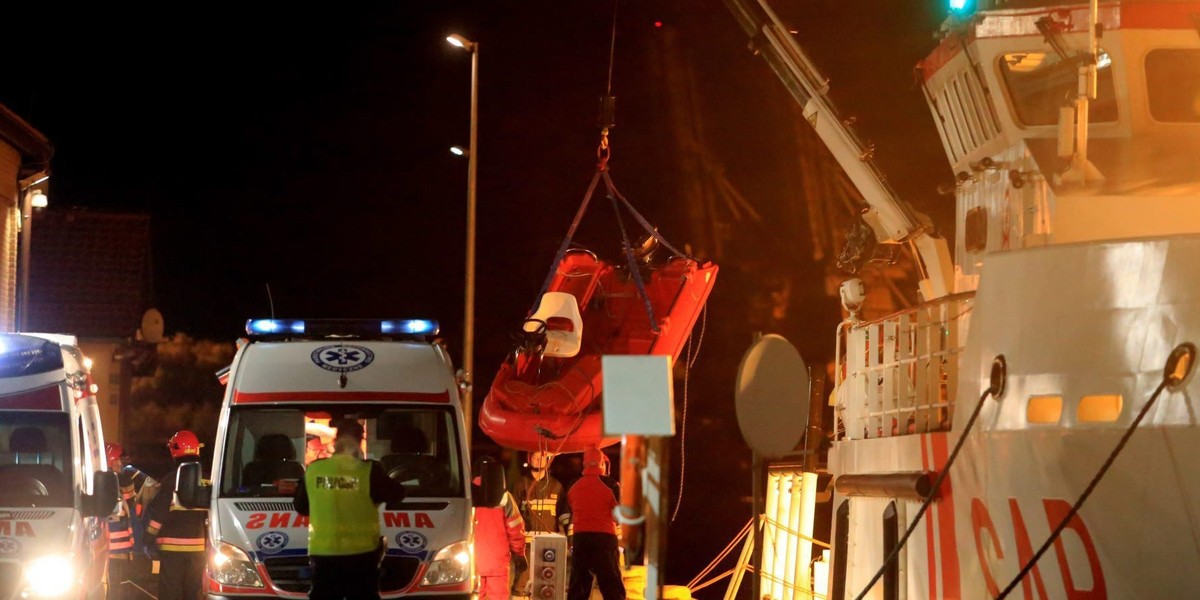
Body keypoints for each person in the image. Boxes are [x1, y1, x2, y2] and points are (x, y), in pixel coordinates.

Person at [293, 420, 403, 600]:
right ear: (359, 442)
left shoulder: (314, 470)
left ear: (335, 442)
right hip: (362, 558)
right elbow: (397, 494)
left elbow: (301, 507)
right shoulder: (369, 471)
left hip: (324, 556)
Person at [144, 431, 209, 600]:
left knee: (170, 591)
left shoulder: (171, 480)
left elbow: (159, 513)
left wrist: (148, 537)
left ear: (174, 451)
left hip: (171, 549)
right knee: (193, 591)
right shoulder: (207, 480)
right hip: (198, 548)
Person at [563, 446, 624, 600]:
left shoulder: (573, 485)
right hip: (605, 539)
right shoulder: (611, 485)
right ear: (602, 463)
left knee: (579, 585)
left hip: (581, 538)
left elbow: (568, 512)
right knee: (611, 585)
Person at [472, 455, 527, 600]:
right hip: (497, 564)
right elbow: (516, 528)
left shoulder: (467, 495)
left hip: (471, 563)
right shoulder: (504, 497)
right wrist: (519, 553)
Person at [512, 451, 565, 596]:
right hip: (526, 544)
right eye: (535, 457)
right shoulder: (520, 484)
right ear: (529, 460)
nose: (539, 460)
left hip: (549, 544)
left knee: (547, 582)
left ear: (548, 460)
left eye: (542, 457)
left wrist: (568, 538)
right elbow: (512, 514)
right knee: (521, 583)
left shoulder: (556, 486)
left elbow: (564, 515)